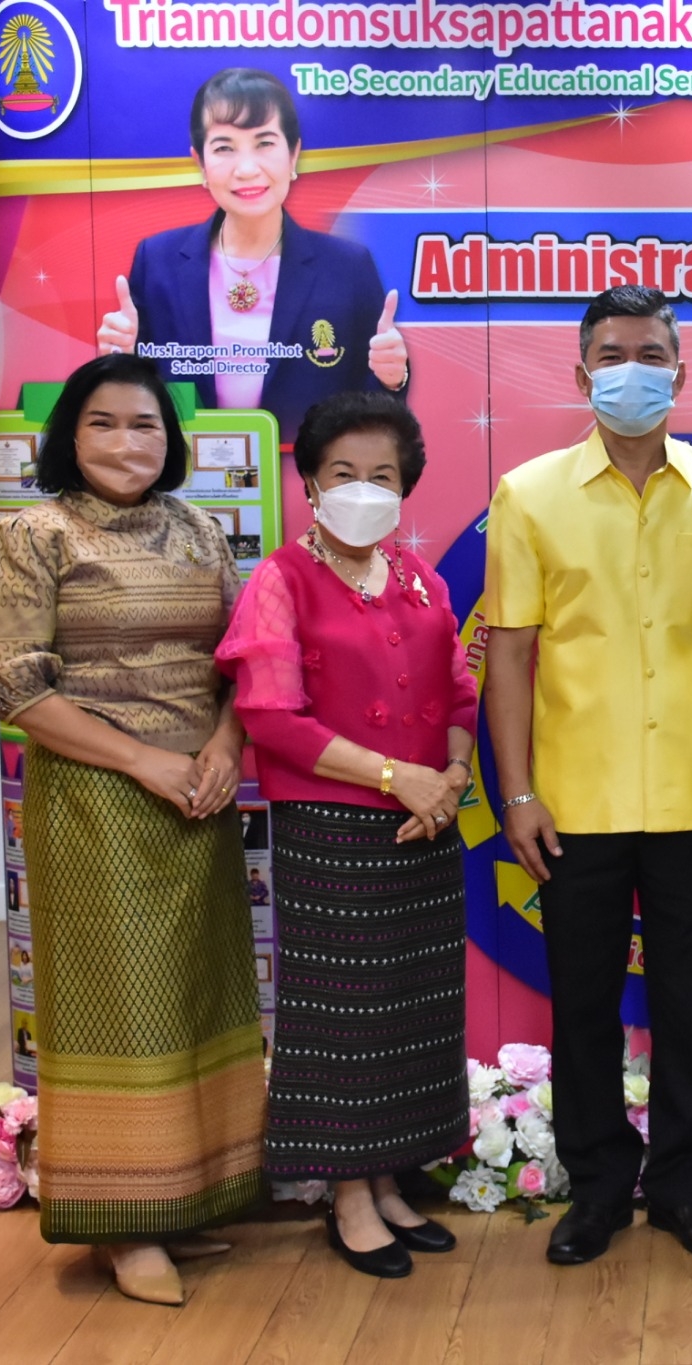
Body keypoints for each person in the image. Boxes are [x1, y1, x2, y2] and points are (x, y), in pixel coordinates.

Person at [483, 286, 692, 1266]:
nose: (631, 373)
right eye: (611, 356)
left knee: (690, 1003)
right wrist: (517, 792)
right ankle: (599, 1187)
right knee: (583, 1006)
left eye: (650, 355)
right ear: (581, 375)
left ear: (679, 374)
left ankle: (684, 1188)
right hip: (575, 801)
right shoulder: (528, 494)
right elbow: (511, 655)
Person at [0, 353, 265, 1307]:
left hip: (200, 800)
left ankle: (183, 1201)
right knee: (120, 1006)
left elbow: (241, 659)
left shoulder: (199, 528)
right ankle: (123, 1225)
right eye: (102, 422)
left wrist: (222, 746)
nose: (125, 442)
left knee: (197, 995)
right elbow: (12, 683)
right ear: (70, 433)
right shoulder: (35, 533)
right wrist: (145, 761)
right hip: (96, 801)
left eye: (144, 424)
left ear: (170, 439)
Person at [216, 390, 475, 1280]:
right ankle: (348, 1193)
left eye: (383, 475)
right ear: (311, 483)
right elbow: (271, 716)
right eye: (344, 473)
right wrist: (399, 778)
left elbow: (460, 692)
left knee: (411, 1013)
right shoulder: (280, 580)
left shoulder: (419, 577)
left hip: (428, 823)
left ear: (406, 487)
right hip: (334, 828)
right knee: (345, 1022)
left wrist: (452, 778)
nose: (364, 490)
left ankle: (391, 1178)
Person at [98, 68, 407, 443]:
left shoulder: (347, 267)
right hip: (189, 471)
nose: (246, 169)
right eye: (224, 148)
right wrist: (119, 359)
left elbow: (374, 405)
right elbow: (137, 399)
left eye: (264, 143)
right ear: (200, 163)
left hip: (303, 472)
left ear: (293, 154)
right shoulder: (158, 261)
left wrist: (392, 376)